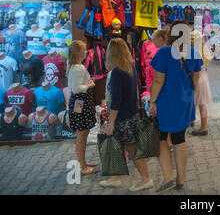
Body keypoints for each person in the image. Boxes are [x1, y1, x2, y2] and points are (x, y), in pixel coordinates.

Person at [149, 19, 203, 194]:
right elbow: (196, 81)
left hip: (165, 102)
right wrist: (191, 101)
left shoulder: (164, 52)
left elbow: (158, 80)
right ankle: (180, 179)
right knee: (180, 139)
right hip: (184, 101)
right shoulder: (194, 53)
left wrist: (152, 101)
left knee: (162, 138)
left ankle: (168, 178)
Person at [99, 38, 153, 192]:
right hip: (131, 113)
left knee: (132, 149)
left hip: (123, 117)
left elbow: (116, 101)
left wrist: (111, 123)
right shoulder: (130, 67)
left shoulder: (117, 72)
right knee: (120, 147)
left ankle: (146, 179)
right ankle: (116, 177)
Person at [67, 40, 98, 175]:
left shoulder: (74, 66)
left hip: (79, 101)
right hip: (80, 101)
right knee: (81, 133)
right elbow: (76, 88)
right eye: (84, 49)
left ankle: (83, 162)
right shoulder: (78, 68)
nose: (86, 52)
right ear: (79, 52)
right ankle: (81, 166)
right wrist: (90, 85)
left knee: (82, 132)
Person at [191, 31, 212, 136]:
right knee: (200, 103)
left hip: (196, 79)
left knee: (196, 103)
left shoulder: (192, 52)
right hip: (203, 78)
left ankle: (202, 128)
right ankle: (196, 123)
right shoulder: (204, 50)